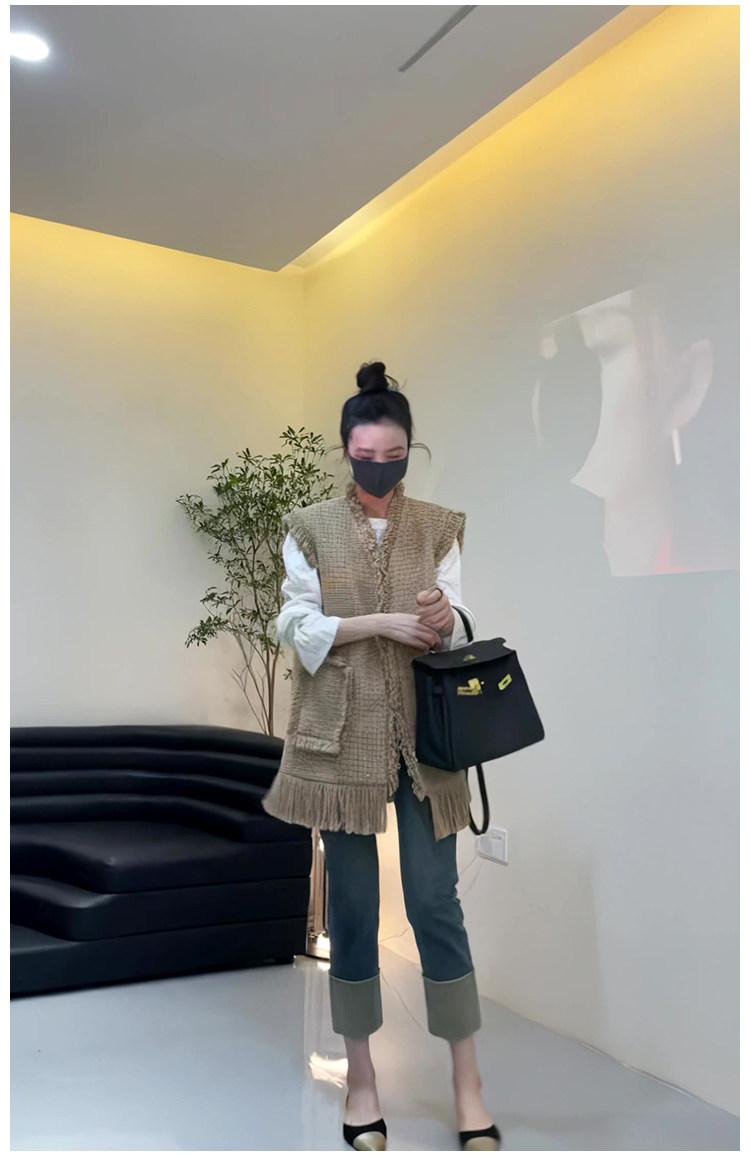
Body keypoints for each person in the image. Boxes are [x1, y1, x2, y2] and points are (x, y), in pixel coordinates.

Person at [262, 361, 501, 1152]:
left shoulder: (438, 525)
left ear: (409, 451)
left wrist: (442, 614)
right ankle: (360, 1079)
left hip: (425, 742)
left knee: (436, 902)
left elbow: (460, 623)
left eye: (393, 455)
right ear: (346, 451)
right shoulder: (309, 528)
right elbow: (294, 626)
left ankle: (468, 1084)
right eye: (366, 456)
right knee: (356, 910)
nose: (379, 469)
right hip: (339, 740)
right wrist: (378, 624)